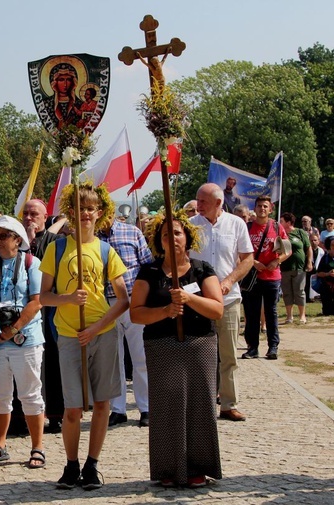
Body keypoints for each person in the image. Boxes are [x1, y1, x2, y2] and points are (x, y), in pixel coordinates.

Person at [39, 182, 129, 490]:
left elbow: (123, 300)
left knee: (102, 403)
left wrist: (95, 327)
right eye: (79, 209)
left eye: (90, 209)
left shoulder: (106, 250)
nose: (85, 214)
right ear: (71, 214)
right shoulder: (57, 248)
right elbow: (43, 297)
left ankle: (92, 465)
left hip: (101, 334)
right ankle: (71, 464)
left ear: (99, 213)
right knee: (73, 408)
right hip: (68, 335)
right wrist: (66, 299)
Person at [130, 212, 224, 488]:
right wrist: (165, 311)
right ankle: (169, 468)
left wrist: (189, 298)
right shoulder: (149, 271)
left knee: (199, 405)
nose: (172, 238)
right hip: (162, 345)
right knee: (166, 406)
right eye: (166, 234)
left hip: (199, 344)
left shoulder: (202, 269)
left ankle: (198, 466)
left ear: (188, 237)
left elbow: (217, 309)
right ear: (159, 241)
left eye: (178, 233)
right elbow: (136, 313)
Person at [0, 216, 46, 469]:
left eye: (2, 236)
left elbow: (36, 300)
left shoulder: (32, 263)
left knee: (30, 394)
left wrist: (14, 328)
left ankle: (37, 447)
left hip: (26, 338)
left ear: (17, 240)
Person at [190, 183, 254, 422]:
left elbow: (247, 258)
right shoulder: (191, 226)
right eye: (198, 200)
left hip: (228, 299)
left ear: (218, 202)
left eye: (203, 201)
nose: (199, 205)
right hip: (198, 300)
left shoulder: (236, 224)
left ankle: (228, 404)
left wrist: (229, 280)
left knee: (228, 355)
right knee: (199, 355)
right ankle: (201, 404)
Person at [98, 204, 153, 428]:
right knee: (113, 361)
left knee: (140, 358)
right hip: (105, 304)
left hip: (133, 301)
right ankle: (118, 409)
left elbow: (147, 265)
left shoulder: (133, 232)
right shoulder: (90, 238)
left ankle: (146, 407)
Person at [22, 199, 65, 433]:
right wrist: (25, 242)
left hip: (49, 309)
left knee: (52, 364)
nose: (29, 218)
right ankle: (24, 416)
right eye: (25, 213)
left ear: (45, 216)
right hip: (25, 311)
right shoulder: (16, 241)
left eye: (34, 214)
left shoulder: (56, 242)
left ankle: (56, 414)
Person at [241, 196, 290, 360]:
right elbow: (238, 250)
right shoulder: (247, 227)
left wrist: (277, 261)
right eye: (259, 206)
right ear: (254, 208)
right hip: (252, 276)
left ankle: (273, 347)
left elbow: (287, 250)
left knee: (271, 313)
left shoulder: (277, 227)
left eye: (265, 206)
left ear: (270, 209)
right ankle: (252, 347)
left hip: (271, 277)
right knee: (251, 313)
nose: (262, 209)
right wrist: (253, 262)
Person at [279, 213, 312, 325]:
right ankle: (289, 316)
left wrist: (309, 262)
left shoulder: (300, 232)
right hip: (285, 268)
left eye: (282, 221)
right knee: (287, 292)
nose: (280, 223)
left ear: (288, 222)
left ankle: (302, 315)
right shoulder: (280, 234)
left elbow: (308, 248)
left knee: (299, 291)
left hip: (299, 268)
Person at [315, 236, 334, 315]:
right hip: (327, 286)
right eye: (333, 245)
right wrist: (328, 274)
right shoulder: (325, 258)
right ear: (329, 246)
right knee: (327, 312)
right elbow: (318, 273)